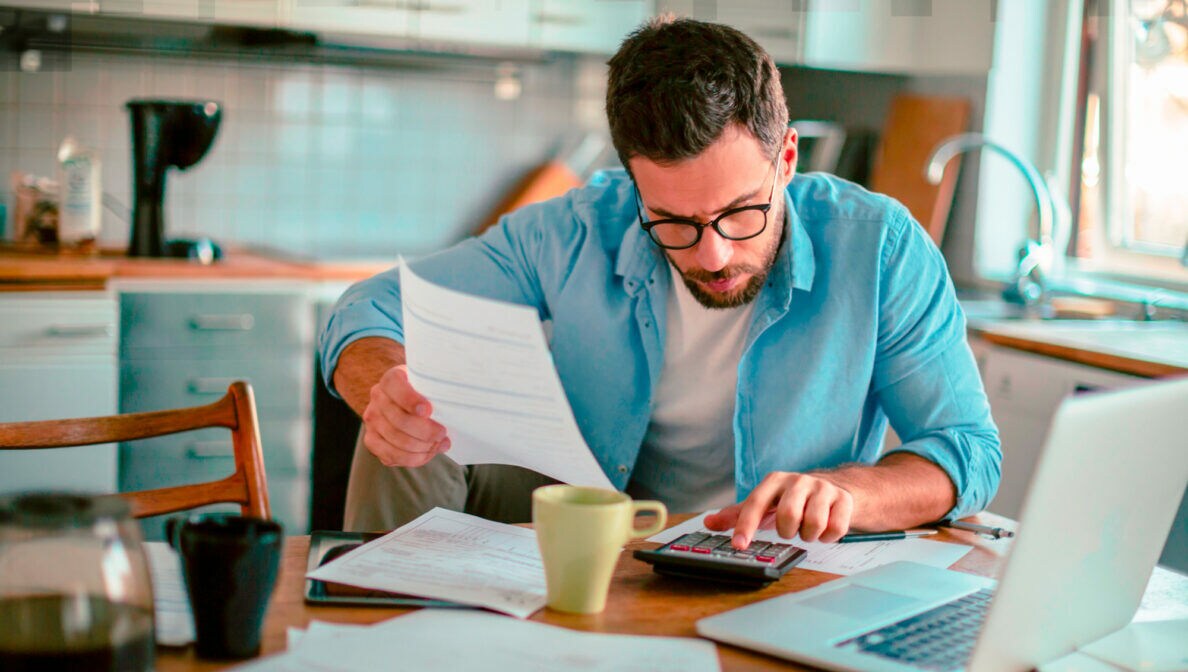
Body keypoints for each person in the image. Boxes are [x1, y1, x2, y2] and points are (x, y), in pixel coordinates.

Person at [319, 16, 1001, 549]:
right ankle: (381, 635)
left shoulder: (879, 245)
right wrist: (384, 385)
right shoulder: (578, 228)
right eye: (672, 221)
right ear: (633, 186)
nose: (711, 254)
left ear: (786, 157)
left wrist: (848, 493)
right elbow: (368, 305)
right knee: (407, 398)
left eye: (741, 213)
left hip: (766, 553)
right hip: (591, 521)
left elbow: (966, 449)